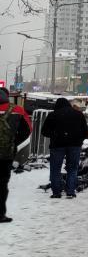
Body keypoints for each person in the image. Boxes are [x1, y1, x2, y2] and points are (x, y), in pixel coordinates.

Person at [43, 97, 88, 199]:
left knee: (55, 169)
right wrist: (79, 140)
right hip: (74, 146)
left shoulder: (53, 115)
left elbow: (44, 131)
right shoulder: (78, 114)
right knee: (72, 169)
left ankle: (56, 192)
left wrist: (55, 135)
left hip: (57, 146)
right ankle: (70, 191)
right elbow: (85, 131)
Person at [0, 88, 33, 222]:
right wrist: (13, 142)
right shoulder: (17, 110)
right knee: (1, 184)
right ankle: (0, 214)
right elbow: (28, 129)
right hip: (6, 154)